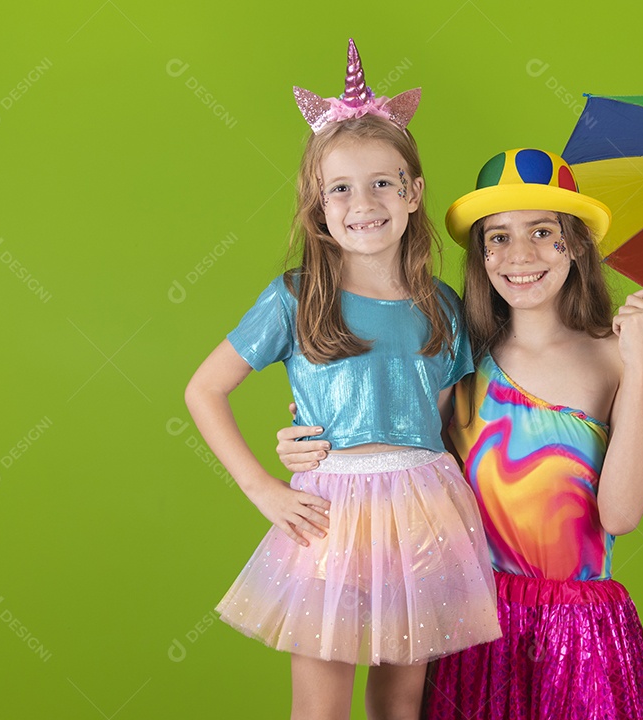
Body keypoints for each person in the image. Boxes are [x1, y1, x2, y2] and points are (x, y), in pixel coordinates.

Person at [278, 148, 643, 719]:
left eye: (542, 232)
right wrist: (312, 443)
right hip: (468, 616)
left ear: (577, 245)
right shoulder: (457, 355)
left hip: (578, 632)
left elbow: (622, 515)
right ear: (481, 254)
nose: (520, 255)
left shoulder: (616, 357)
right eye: (498, 237)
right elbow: (393, 458)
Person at [184, 40, 499, 720]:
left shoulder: (443, 306)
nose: (365, 202)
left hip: (424, 510)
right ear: (318, 206)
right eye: (342, 188)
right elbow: (204, 389)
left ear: (413, 194)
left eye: (384, 182)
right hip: (330, 514)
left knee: (400, 700)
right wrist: (264, 486)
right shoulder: (296, 298)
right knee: (320, 707)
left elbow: (444, 419)